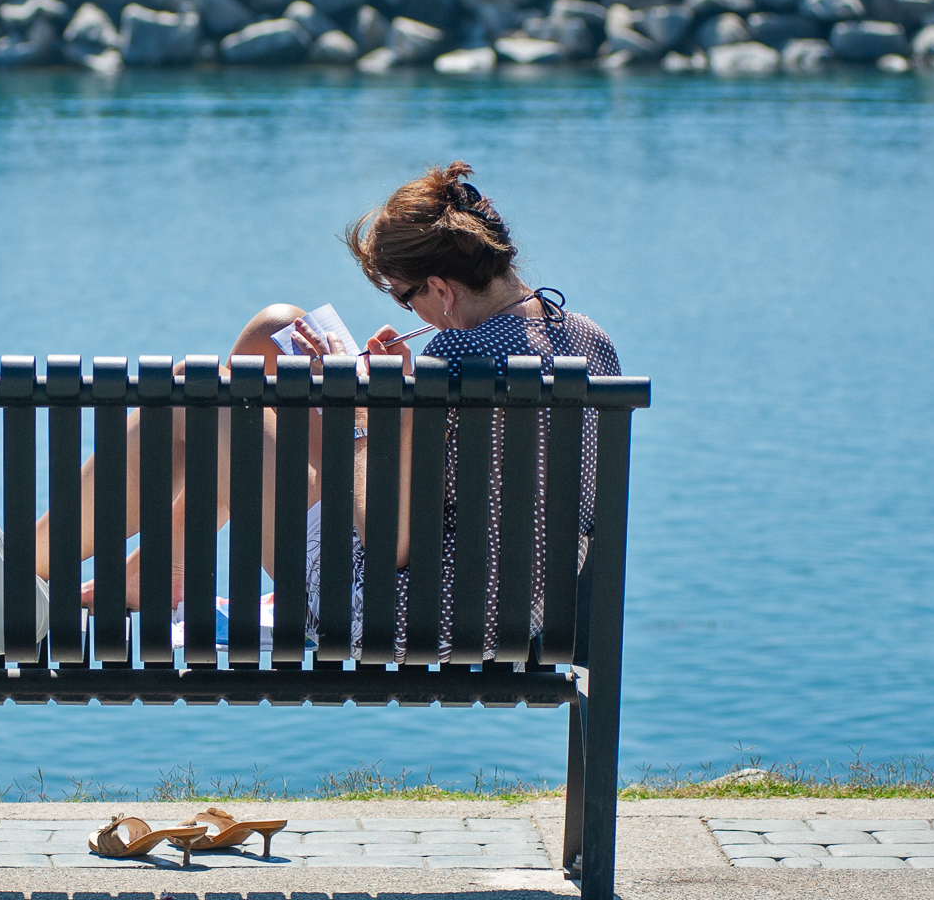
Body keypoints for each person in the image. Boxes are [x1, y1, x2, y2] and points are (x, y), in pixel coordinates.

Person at [35, 160, 619, 662]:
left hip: (405, 615)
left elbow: (388, 545)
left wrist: (360, 407)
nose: (410, 313)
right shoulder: (588, 338)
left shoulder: (453, 361)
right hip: (526, 609)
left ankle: (21, 571)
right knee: (277, 329)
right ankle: (157, 568)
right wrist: (383, 397)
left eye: (404, 296)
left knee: (195, 398)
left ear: (441, 289)